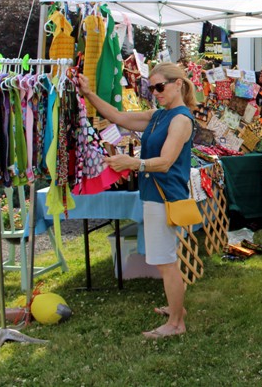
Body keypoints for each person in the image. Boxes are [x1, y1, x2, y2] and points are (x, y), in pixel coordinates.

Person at [78, 62, 197, 339]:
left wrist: (131, 163)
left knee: (165, 261)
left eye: (159, 87)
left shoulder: (180, 119)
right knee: (166, 259)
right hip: (156, 195)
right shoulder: (159, 115)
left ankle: (177, 323)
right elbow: (119, 117)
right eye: (150, 87)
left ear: (178, 84)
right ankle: (176, 309)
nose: (154, 92)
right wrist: (88, 94)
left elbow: (166, 162)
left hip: (164, 196)